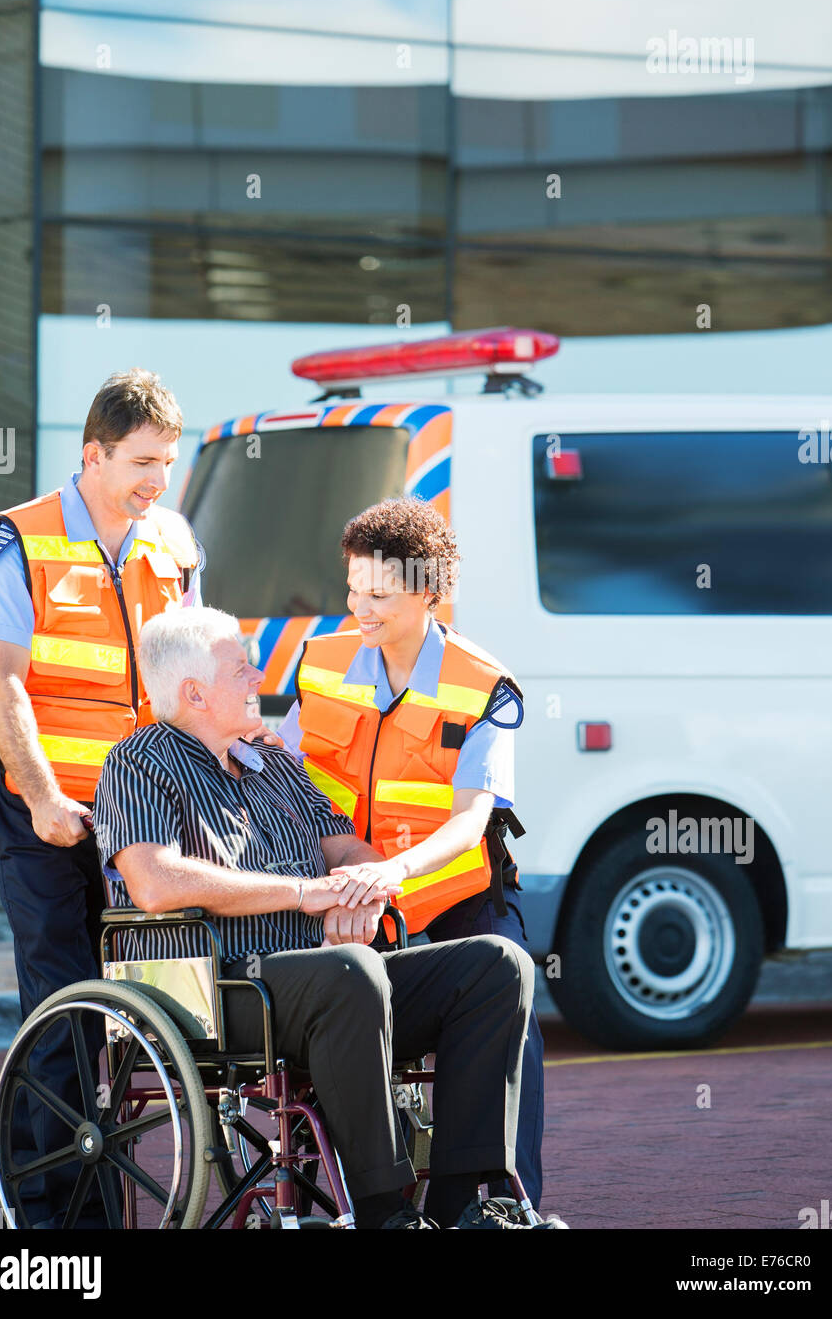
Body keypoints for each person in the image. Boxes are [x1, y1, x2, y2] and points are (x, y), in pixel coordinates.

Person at [92, 605, 559, 1229]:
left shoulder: (273, 762)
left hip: (322, 978)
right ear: (194, 693)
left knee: (497, 965)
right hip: (220, 983)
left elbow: (342, 846)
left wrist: (364, 889)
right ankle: (384, 1210)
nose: (258, 679)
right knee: (350, 972)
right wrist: (303, 894)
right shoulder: (137, 761)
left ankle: (460, 1202)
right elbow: (153, 881)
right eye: (240, 671)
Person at [0, 368, 204, 1227]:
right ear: (91, 454)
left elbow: (187, 681)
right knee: (63, 1008)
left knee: (145, 1012)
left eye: (167, 462)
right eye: (141, 461)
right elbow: (2, 687)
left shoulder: (171, 542)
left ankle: (105, 1205)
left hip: (139, 811)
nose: (156, 481)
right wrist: (46, 798)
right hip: (42, 806)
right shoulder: (15, 540)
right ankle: (53, 1220)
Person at [277, 496, 546, 1207]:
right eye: (352, 589)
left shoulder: (482, 684)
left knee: (508, 996)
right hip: (343, 891)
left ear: (428, 592)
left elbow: (469, 822)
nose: (359, 609)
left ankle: (481, 1202)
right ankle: (344, 1199)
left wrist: (392, 872)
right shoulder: (319, 662)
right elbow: (284, 782)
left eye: (380, 595)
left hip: (451, 896)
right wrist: (343, 886)